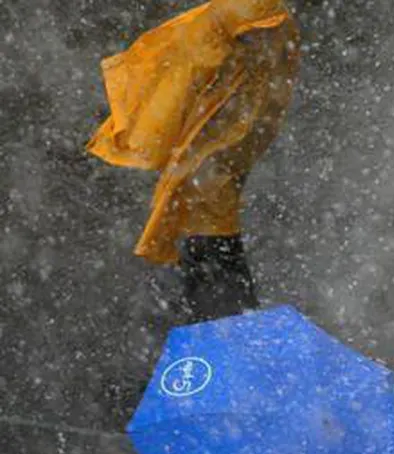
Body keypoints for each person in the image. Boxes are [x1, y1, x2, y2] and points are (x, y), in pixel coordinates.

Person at [87, 1, 300, 454]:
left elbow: (183, 68)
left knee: (210, 275)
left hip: (210, 218)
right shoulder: (256, 44)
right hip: (213, 220)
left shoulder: (232, 37)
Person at [87, 0, 301, 324]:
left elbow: (181, 84)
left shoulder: (235, 25)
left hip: (210, 173)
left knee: (212, 261)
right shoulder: (244, 31)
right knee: (213, 259)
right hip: (211, 173)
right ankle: (231, 336)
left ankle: (228, 336)